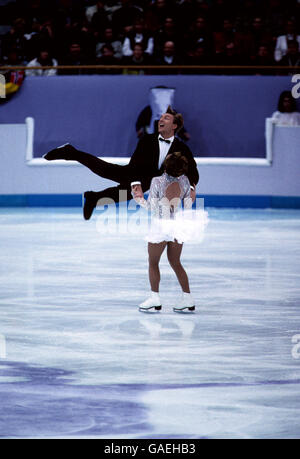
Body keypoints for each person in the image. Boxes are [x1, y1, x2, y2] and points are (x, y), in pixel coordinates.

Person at [43, 106, 199, 221]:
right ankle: (71, 153)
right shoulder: (147, 139)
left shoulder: (182, 148)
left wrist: (191, 187)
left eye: (166, 118)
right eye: (161, 117)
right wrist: (136, 183)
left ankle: (93, 198)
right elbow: (136, 163)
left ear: (174, 126)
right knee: (104, 171)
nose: (161, 120)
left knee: (124, 193)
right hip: (136, 172)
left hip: (153, 180)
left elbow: (192, 170)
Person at [133, 152, 207, 313]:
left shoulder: (157, 181)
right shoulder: (186, 181)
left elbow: (152, 208)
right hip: (178, 225)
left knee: (153, 263)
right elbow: (187, 206)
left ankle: (155, 298)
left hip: (160, 226)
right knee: (176, 262)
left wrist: (138, 198)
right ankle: (188, 298)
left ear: (165, 166)